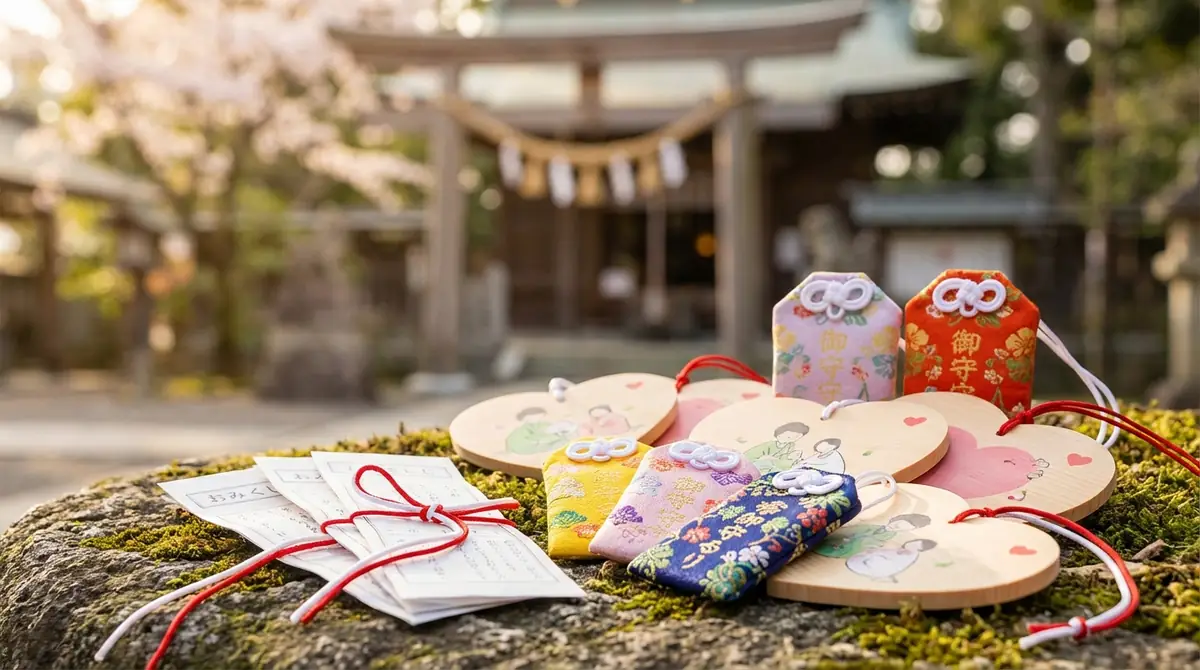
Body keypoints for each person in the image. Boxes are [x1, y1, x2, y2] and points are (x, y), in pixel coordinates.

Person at [814, 514, 931, 559]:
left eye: (901, 529)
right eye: (898, 524)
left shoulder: (887, 539)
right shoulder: (868, 525)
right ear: (894, 519)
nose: (896, 528)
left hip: (842, 552)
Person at [845, 538, 938, 582]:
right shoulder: (902, 551)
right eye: (911, 542)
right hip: (863, 564)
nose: (909, 543)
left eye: (914, 544)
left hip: (871, 568)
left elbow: (889, 564)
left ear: (920, 549)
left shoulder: (908, 555)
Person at [744, 422, 810, 474]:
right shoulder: (768, 445)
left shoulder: (790, 445)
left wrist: (791, 458)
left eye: (796, 437)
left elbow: (783, 461)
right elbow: (749, 458)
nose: (790, 439)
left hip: (775, 467)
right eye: (788, 436)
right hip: (755, 466)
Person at [506, 408, 577, 455]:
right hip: (526, 445)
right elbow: (528, 440)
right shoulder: (523, 429)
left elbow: (553, 430)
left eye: (541, 416)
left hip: (544, 441)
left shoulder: (543, 424)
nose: (539, 418)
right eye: (536, 416)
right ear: (526, 417)